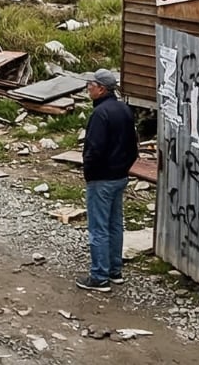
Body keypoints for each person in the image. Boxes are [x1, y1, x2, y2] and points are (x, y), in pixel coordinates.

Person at [77, 67, 138, 291]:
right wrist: (125, 168)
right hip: (120, 176)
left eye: (90, 85)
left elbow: (94, 149)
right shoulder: (124, 110)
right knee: (115, 225)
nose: (88, 89)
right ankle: (115, 270)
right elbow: (134, 147)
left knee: (98, 227)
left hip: (101, 178)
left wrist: (89, 172)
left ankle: (99, 276)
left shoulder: (100, 114)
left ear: (101, 88)